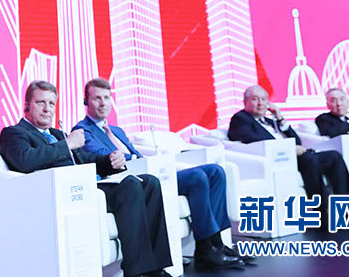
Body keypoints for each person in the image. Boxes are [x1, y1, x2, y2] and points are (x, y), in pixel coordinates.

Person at [0, 81, 172, 277]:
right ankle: (137, 272)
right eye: (41, 103)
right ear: (27, 105)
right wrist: (66, 144)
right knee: (130, 185)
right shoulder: (14, 132)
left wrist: (110, 160)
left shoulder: (57, 134)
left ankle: (157, 269)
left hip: (85, 188)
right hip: (60, 194)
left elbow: (85, 159)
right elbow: (25, 160)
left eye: (51, 103)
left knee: (150, 182)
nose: (47, 109)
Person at [73, 78, 246, 270]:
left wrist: (150, 159)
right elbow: (105, 157)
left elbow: (135, 154)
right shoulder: (82, 130)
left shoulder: (116, 130)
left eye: (106, 97)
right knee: (197, 178)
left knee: (215, 172)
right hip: (134, 181)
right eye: (97, 98)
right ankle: (206, 249)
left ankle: (218, 243)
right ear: (86, 101)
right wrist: (135, 158)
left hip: (150, 170)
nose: (103, 103)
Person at [228, 85, 349, 213]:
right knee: (310, 159)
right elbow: (253, 140)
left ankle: (348, 212)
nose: (261, 103)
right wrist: (289, 149)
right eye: (255, 99)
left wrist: (280, 119)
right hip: (277, 159)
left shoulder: (270, 121)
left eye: (264, 99)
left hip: (294, 157)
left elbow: (297, 141)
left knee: (334, 156)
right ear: (245, 102)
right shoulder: (240, 119)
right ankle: (322, 212)